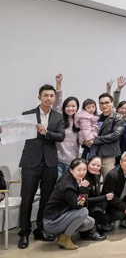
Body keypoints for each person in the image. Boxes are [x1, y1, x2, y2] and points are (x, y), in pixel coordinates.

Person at [18, 84, 66, 249]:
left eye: (52, 96)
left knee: (46, 198)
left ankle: (41, 229)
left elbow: (60, 136)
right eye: (46, 95)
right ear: (39, 97)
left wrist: (46, 133)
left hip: (50, 163)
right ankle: (24, 233)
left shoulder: (58, 117)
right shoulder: (28, 115)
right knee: (27, 198)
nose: (49, 98)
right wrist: (4, 132)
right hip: (30, 162)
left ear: (54, 98)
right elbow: (17, 132)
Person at [43, 158, 104, 250]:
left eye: (84, 169)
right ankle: (65, 239)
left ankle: (62, 234)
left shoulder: (75, 179)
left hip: (63, 215)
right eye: (79, 170)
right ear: (71, 170)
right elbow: (79, 205)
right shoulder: (67, 185)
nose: (82, 173)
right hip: (52, 221)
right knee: (83, 212)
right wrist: (84, 189)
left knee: (90, 223)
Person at [91, 93, 126, 179]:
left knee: (109, 180)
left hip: (108, 155)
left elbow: (116, 135)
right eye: (101, 103)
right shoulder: (96, 117)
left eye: (106, 102)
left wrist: (96, 140)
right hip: (94, 155)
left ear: (112, 103)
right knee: (93, 182)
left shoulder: (118, 117)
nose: (104, 105)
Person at [84, 156, 113, 234]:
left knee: (106, 203)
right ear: (87, 163)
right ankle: (91, 229)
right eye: (93, 165)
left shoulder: (98, 176)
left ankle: (99, 224)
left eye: (98, 166)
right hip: (83, 206)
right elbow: (82, 201)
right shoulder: (82, 177)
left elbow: (97, 194)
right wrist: (104, 197)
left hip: (94, 202)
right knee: (98, 208)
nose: (95, 167)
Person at [57, 96, 81, 176]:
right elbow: (57, 103)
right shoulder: (59, 119)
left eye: (73, 106)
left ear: (77, 107)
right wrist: (59, 88)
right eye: (67, 106)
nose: (70, 108)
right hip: (58, 159)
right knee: (58, 182)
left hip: (73, 161)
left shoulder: (80, 121)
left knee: (68, 183)